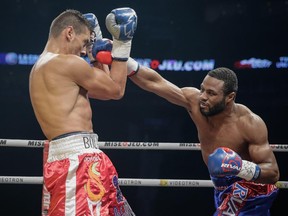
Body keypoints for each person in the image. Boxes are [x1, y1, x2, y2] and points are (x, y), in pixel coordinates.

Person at [126, 61, 280, 215]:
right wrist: (124, 59)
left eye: (211, 93)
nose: (203, 97)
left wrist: (240, 167)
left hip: (250, 188)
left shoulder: (249, 123)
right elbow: (155, 82)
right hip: (221, 187)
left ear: (230, 97)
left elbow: (273, 173)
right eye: (202, 89)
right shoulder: (194, 102)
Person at [29, 8, 137, 216]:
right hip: (76, 163)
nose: (82, 52)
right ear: (69, 33)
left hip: (82, 160)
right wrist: (123, 44)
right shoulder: (67, 63)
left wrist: (95, 54)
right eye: (84, 42)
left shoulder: (43, 67)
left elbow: (104, 91)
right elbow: (116, 90)